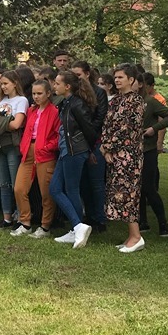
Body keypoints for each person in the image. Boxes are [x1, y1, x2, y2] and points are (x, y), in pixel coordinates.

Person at [50, 71, 98, 249]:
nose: (54, 86)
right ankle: (77, 227)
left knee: (71, 189)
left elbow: (90, 130)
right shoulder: (67, 102)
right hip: (66, 150)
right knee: (55, 189)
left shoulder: (77, 104)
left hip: (74, 151)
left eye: (57, 83)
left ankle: (77, 227)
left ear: (67, 86)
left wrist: (88, 150)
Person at [102, 64, 147, 253]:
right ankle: (131, 236)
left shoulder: (136, 101)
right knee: (118, 194)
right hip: (115, 155)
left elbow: (126, 129)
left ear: (131, 79)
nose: (117, 80)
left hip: (129, 156)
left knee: (129, 194)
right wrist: (105, 148)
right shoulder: (115, 100)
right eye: (116, 77)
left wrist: (109, 147)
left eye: (121, 77)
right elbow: (107, 125)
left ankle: (136, 236)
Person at [11, 79, 60, 238]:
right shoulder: (32, 110)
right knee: (19, 188)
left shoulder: (54, 112)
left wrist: (47, 147)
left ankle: (45, 226)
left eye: (39, 93)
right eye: (34, 94)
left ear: (48, 93)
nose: (36, 97)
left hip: (45, 154)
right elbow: (27, 131)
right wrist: (24, 146)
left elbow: (58, 135)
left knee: (46, 193)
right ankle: (25, 222)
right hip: (28, 152)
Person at [0, 70, 29, 230]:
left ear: (15, 83)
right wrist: (6, 121)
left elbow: (16, 124)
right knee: (3, 183)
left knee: (15, 183)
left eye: (6, 83)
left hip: (12, 144)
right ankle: (6, 217)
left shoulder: (21, 100)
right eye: (2, 84)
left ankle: (20, 215)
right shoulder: (0, 100)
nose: (3, 86)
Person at [137, 74, 168, 237]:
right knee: (137, 189)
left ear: (139, 84)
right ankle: (142, 221)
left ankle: (163, 223)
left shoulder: (150, 102)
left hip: (148, 150)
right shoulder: (127, 103)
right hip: (133, 151)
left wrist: (155, 128)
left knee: (148, 188)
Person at [73, 61, 109, 233]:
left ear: (87, 74)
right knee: (83, 182)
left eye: (78, 75)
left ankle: (100, 218)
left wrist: (88, 136)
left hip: (94, 141)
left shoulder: (99, 92)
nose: (76, 78)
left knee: (96, 182)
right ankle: (89, 215)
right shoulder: (75, 93)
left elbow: (100, 117)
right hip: (79, 142)